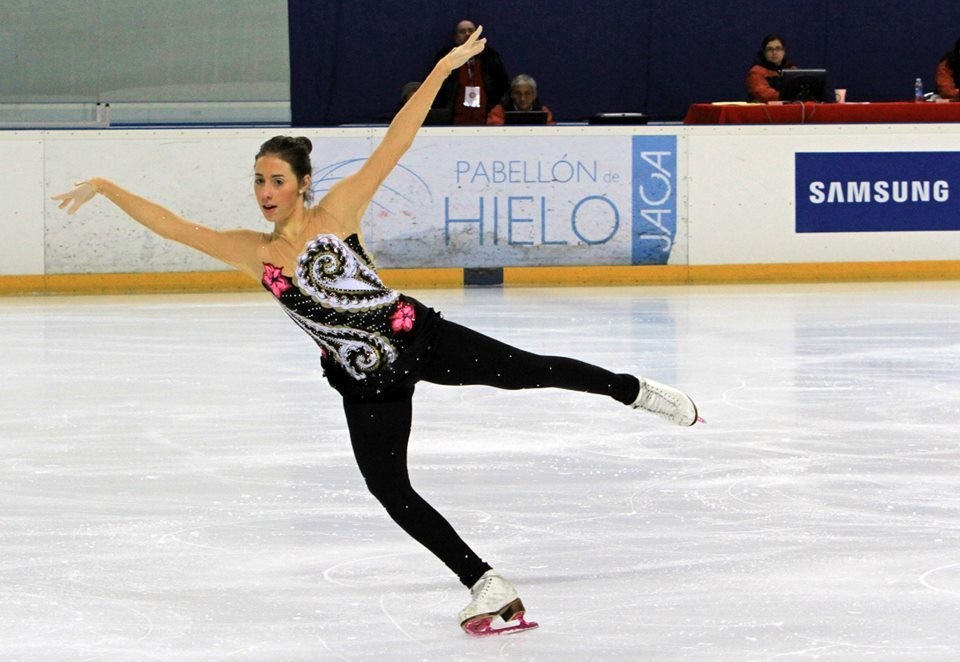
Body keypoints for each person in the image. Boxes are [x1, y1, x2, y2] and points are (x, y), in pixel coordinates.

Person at [51, 26, 702, 636]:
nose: (265, 190)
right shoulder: (255, 252)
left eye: (277, 180)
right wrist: (107, 185)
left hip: (415, 335)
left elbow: (398, 138)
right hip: (364, 382)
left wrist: (446, 68)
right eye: (258, 180)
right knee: (390, 489)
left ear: (304, 184)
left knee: (531, 371)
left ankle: (633, 390)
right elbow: (174, 226)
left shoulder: (340, 212)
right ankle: (486, 582)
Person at [431, 19, 509, 125]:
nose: (467, 34)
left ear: (478, 35)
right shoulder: (445, 58)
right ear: (455, 37)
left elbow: (504, 86)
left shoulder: (491, 57)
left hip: (486, 122)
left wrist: (499, 107)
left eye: (471, 31)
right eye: (462, 32)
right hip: (452, 124)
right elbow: (433, 87)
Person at [486, 74, 556, 125]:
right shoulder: (499, 111)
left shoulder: (543, 111)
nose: (522, 98)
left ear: (534, 95)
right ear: (512, 94)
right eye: (518, 93)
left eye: (527, 93)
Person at [746, 34, 797, 102]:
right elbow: (764, 94)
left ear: (784, 51)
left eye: (778, 48)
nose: (774, 52)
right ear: (764, 52)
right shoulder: (756, 71)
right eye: (770, 49)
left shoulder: (792, 69)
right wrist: (790, 97)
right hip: (764, 110)